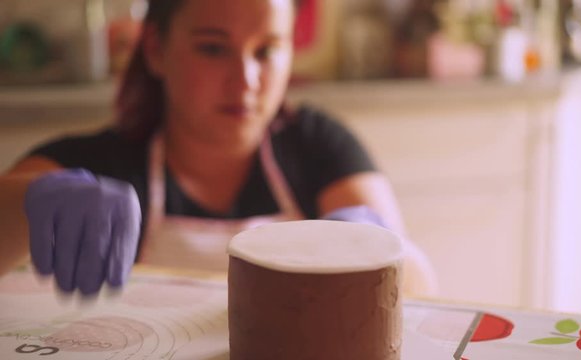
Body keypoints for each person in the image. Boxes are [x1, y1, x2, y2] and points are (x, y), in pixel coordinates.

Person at [0, 0, 437, 297]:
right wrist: (29, 205)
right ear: (155, 49)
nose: (245, 80)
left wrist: (380, 245)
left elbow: (419, 292)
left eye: (266, 51)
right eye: (213, 48)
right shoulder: (99, 165)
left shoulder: (319, 146)